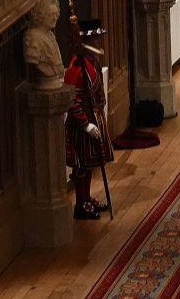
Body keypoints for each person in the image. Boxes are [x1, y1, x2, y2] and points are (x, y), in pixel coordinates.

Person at [64, 19, 114, 220]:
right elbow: (72, 100)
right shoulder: (77, 68)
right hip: (82, 125)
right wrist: (85, 124)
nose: (99, 42)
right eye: (95, 38)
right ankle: (80, 202)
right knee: (81, 166)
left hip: (94, 118)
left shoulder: (90, 62)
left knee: (90, 164)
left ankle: (87, 198)